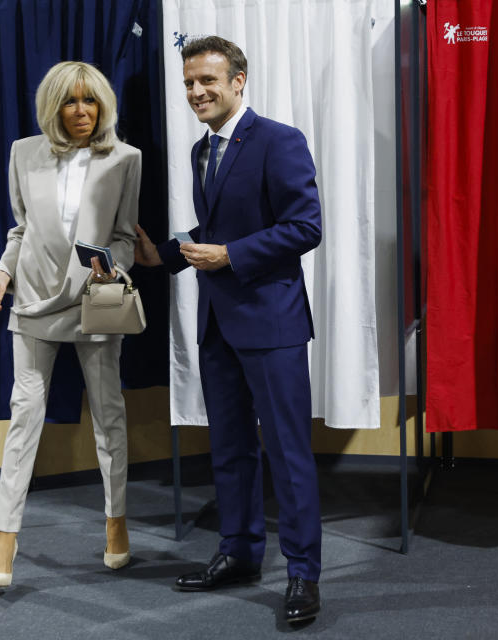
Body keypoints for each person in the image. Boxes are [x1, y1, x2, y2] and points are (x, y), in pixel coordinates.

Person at [134, 36, 323, 622]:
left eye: (208, 81)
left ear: (239, 81)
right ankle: (238, 553)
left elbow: (306, 226)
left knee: (288, 453)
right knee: (232, 450)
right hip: (218, 324)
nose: (197, 92)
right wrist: (161, 255)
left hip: (272, 323)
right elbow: (215, 225)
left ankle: (302, 575)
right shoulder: (201, 150)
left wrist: (232, 255)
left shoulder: (279, 141)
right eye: (190, 83)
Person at [0, 61, 141, 587]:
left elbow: (125, 238)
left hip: (93, 300)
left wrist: (110, 263)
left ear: (103, 104)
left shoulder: (125, 158)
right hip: (31, 304)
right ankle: (6, 537)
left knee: (109, 416)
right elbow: (21, 229)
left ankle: (116, 522)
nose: (81, 112)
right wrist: (0, 278)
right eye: (70, 102)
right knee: (24, 419)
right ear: (54, 106)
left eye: (89, 101)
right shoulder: (24, 153)